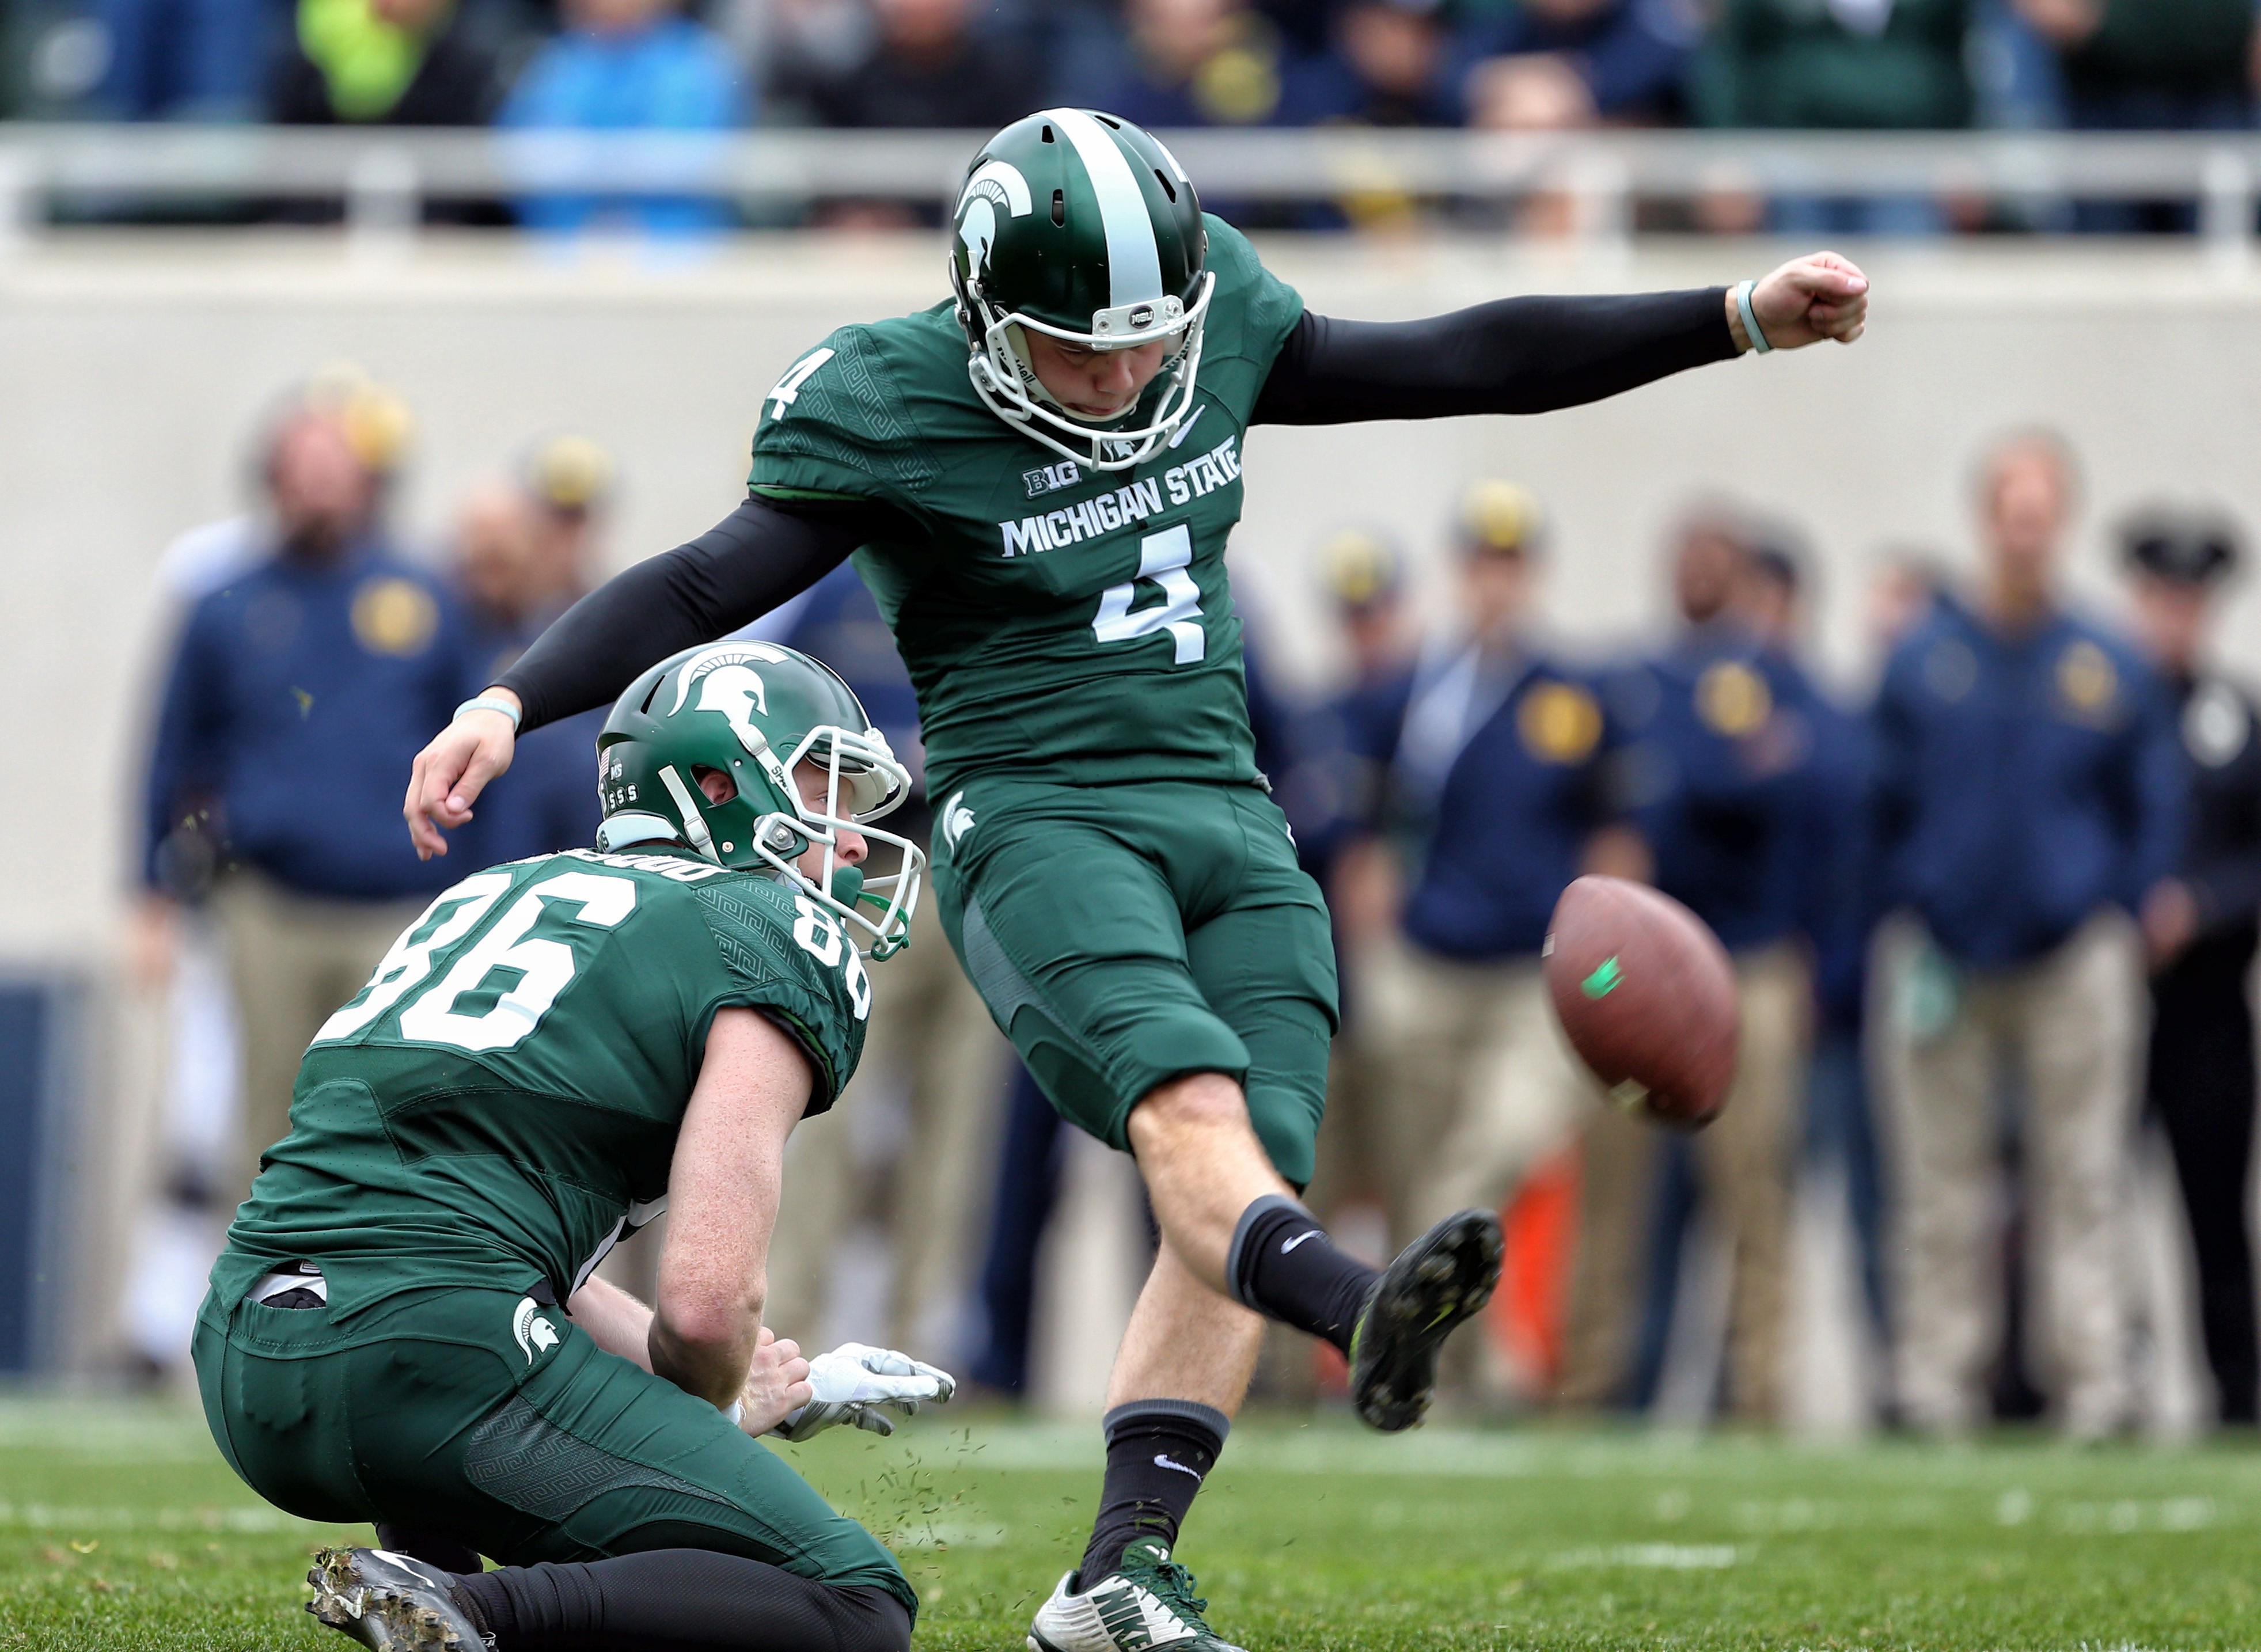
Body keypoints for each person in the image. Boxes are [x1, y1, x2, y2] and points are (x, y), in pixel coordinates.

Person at [404, 107, 1868, 1650]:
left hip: (1224, 809)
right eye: (1071, 347)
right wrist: (509, 697)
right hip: (1034, 813)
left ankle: (1116, 1574)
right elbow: (705, 579)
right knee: (1187, 1114)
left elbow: (1456, 356)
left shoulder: (1211, 314)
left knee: (1243, 1177)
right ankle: (1359, 1310)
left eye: (1141, 341)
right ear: (978, 309)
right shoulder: (888, 401)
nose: (1115, 376)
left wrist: (1729, 321)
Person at [198, 642, 955, 1652]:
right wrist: (715, 1409)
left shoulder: (492, 893)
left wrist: (719, 1388)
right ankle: (472, 1609)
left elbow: (488, 1230)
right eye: (826, 785)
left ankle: (431, 1588)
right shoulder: (765, 928)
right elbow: (705, 1303)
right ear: (722, 784)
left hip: (246, 1357)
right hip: (431, 1356)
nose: (857, 838)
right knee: (860, 1603)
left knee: (482, 1328)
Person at [1872, 431, 2183, 1440]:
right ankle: (1933, 1383)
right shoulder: (1923, 659)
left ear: (2062, 523)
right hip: (1944, 956)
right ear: (1983, 519)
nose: (2024, 527)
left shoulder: (2105, 662)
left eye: (2042, 509)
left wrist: (2127, 902)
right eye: (2010, 506)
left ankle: (2092, 1383)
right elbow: (1875, 803)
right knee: (1936, 1184)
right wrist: (1910, 898)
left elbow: (2152, 800)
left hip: (2072, 958)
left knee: (2084, 1174)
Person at [142, 401, 478, 1222]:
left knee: (395, 1127)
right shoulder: (224, 601)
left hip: (399, 910)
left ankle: (370, 1334)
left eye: (334, 470)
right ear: (270, 482)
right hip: (269, 905)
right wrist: (144, 891)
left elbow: (480, 735)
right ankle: (249, 1330)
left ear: (368, 482)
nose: (318, 489)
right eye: (300, 470)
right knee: (266, 1125)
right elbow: (168, 748)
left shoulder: (425, 595)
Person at [1349, 483, 1635, 1407]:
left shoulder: (1569, 695)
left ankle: (1472, 1352)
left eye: (1512, 563)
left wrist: (1605, 948)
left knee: (1492, 1151)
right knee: (1418, 1171)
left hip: (1528, 976)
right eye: (1481, 561)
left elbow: (1614, 830)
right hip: (1429, 963)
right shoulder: (1415, 689)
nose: (1495, 582)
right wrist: (1374, 917)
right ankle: (1463, 1368)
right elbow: (1359, 815)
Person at [1558, 506, 1833, 1426]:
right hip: (1632, 973)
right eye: (1685, 558)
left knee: (1753, 1190)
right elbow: (1596, 788)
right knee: (1613, 1189)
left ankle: (1757, 1389)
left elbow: (1782, 785)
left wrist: (1681, 784)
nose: (1697, 574)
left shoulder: (1772, 678)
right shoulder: (1631, 680)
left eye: (1715, 559)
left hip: (1743, 965)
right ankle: (1591, 1385)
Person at [762, 560, 1012, 1362]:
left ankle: (929, 1337)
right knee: (827, 1096)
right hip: (871, 862)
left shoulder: (996, 570)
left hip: (978, 870)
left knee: (961, 1122)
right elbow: (781, 726)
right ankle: (788, 1319)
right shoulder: (831, 590)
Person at [2122, 510, 2261, 1427]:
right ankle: (2103, 1385)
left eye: (2190, 599)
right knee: (2086, 1201)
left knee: (2212, 1202)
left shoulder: (2232, 716)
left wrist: (2200, 908)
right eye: (2160, 597)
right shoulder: (2097, 701)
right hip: (2111, 995)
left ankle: (2235, 1391)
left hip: (2209, 997)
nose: (2175, 614)